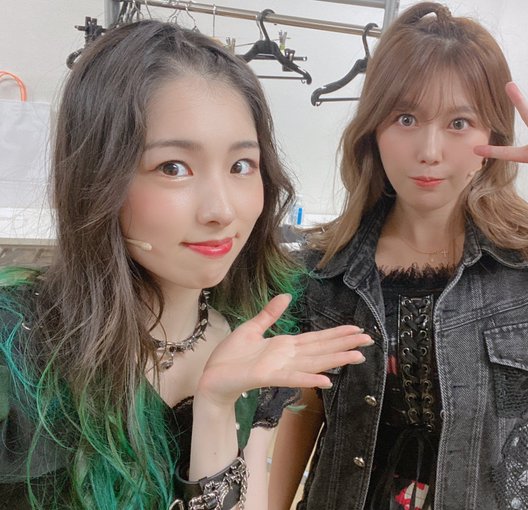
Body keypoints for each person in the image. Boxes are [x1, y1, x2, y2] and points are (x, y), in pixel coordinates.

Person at [268, 3, 528, 509]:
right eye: (405, 118)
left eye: (459, 122)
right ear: (373, 130)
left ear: (493, 137)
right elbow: (307, 407)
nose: (430, 150)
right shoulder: (321, 271)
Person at [0, 20, 372, 510]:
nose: (222, 210)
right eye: (173, 168)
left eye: (241, 166)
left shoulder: (254, 342)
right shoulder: (17, 349)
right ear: (96, 177)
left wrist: (216, 408)